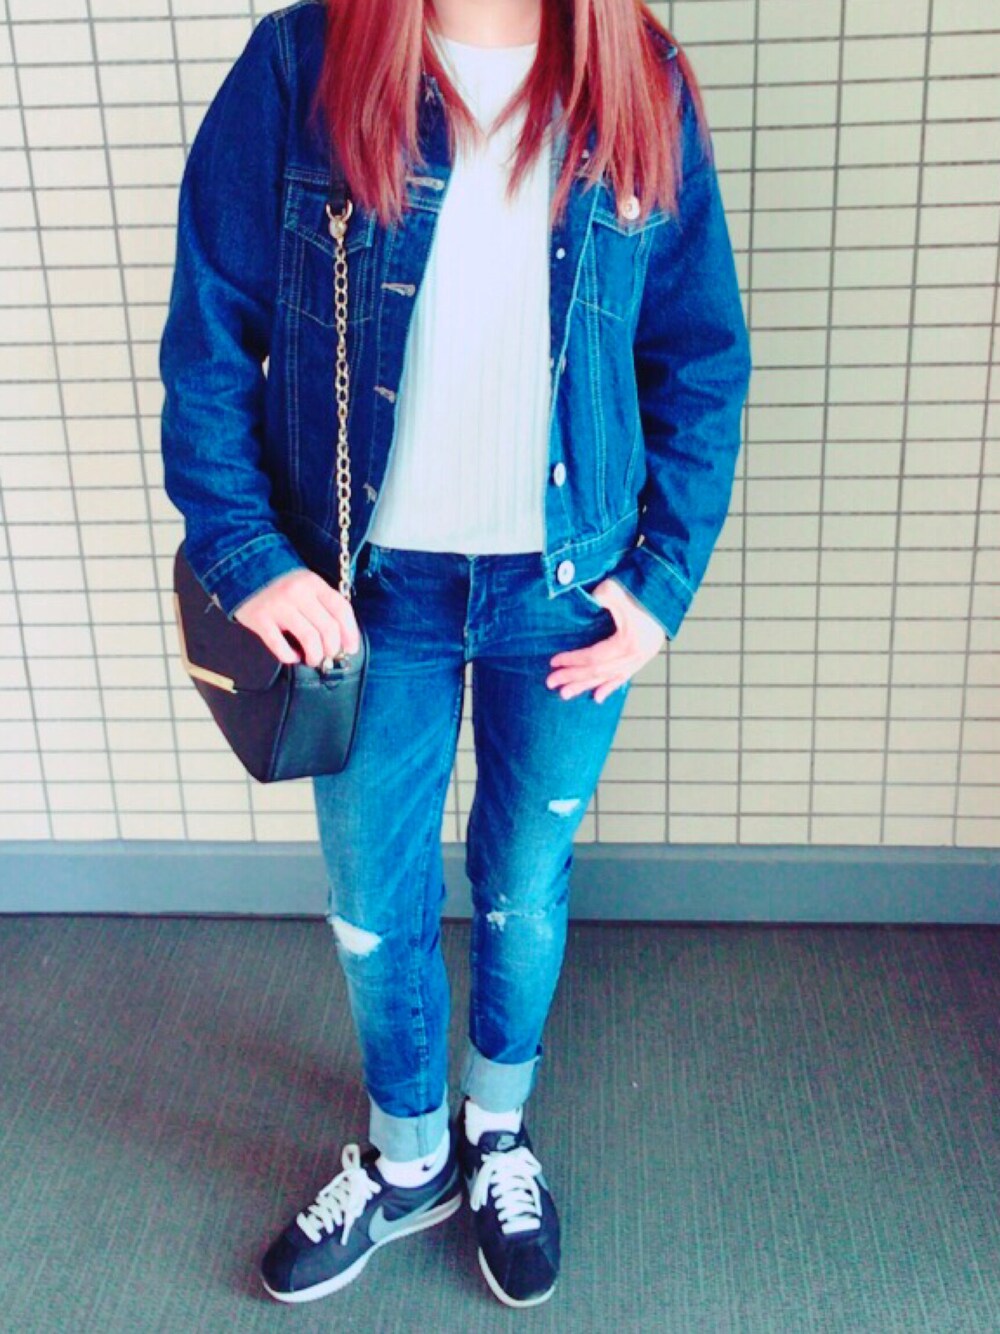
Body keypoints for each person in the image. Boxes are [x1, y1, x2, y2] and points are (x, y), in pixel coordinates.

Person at [159, 0, 751, 1310]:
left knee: (525, 884)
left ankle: (496, 1127)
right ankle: (408, 1151)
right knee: (375, 897)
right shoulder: (303, 61)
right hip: (370, 594)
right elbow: (211, 330)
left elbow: (701, 356)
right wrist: (249, 554)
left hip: (567, 591)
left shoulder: (637, 74)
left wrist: (660, 585)